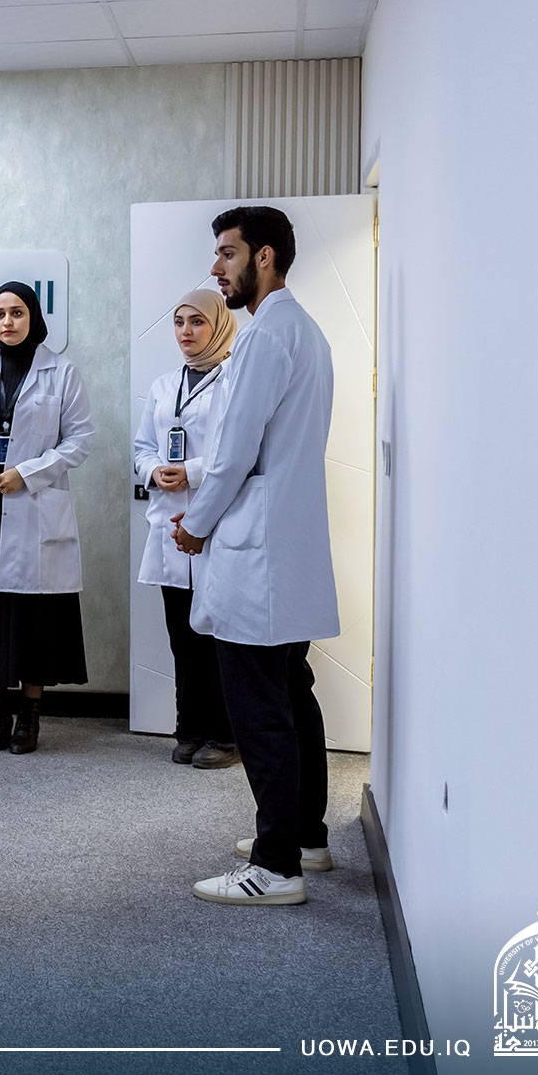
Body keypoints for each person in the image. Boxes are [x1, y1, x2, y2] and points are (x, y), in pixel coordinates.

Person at [171, 205, 339, 907]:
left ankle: (276, 869)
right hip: (286, 545)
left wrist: (195, 525)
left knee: (259, 708)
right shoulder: (305, 331)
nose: (217, 267)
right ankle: (305, 837)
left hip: (258, 549)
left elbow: (236, 450)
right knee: (292, 694)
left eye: (228, 253)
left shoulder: (269, 336)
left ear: (264, 256)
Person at [0, 282, 94, 754]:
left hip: (33, 509)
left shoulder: (62, 372)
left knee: (35, 622)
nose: (7, 322)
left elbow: (80, 440)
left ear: (34, 317)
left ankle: (29, 716)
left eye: (17, 313)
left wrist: (26, 474)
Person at [132, 288, 241, 770]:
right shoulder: (163, 385)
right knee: (182, 636)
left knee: (217, 636)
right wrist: (153, 470)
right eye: (179, 322)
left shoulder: (235, 379)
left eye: (197, 322)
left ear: (218, 326)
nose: (186, 332)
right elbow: (142, 447)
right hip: (169, 526)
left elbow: (239, 450)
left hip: (216, 522)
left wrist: (190, 472)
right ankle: (189, 729)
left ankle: (226, 735)